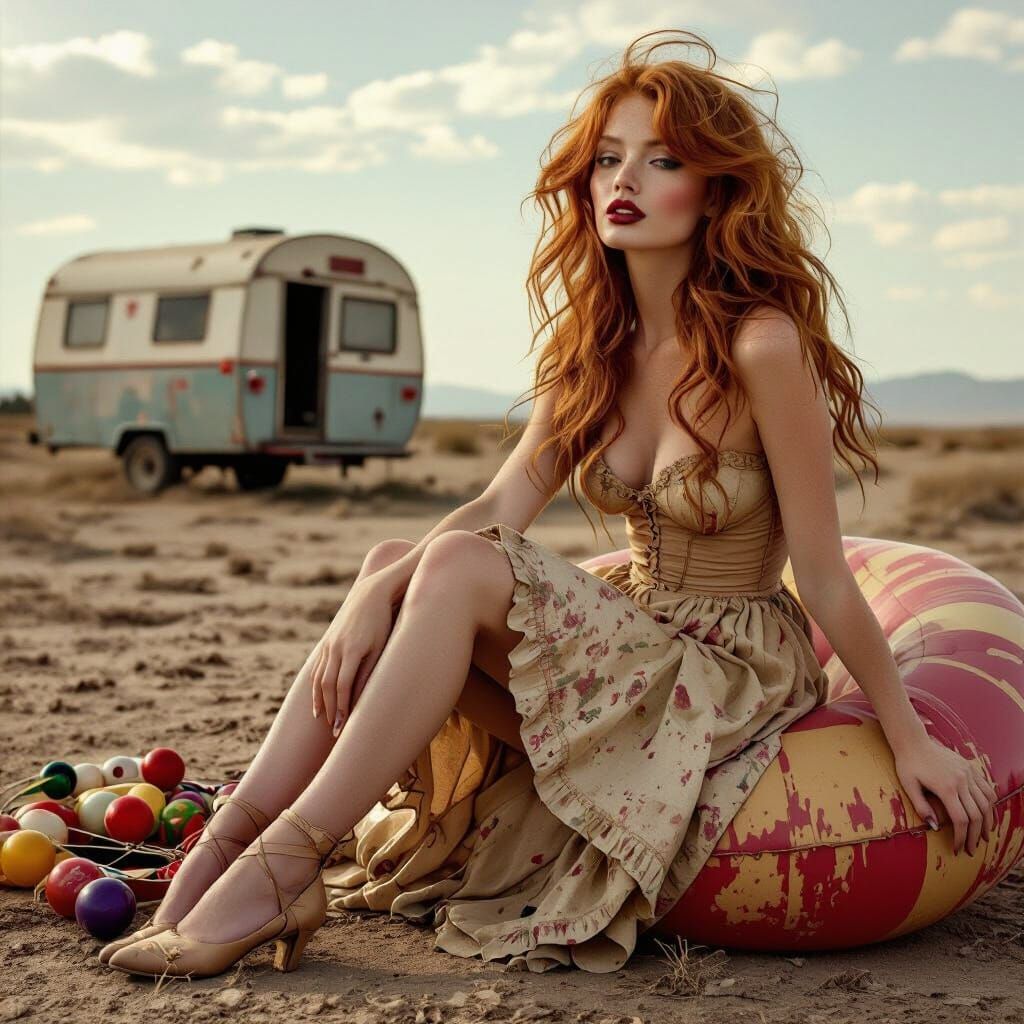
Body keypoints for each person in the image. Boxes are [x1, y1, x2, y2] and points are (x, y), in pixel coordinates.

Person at [101, 28, 997, 980]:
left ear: (715, 190)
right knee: (395, 563)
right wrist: (371, 594)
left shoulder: (761, 346)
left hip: (732, 672)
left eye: (663, 160)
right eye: (610, 158)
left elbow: (822, 571)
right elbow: (499, 503)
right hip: (640, 646)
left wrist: (911, 738)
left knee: (447, 565)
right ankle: (221, 858)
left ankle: (282, 867)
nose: (627, 179)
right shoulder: (594, 351)